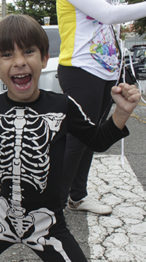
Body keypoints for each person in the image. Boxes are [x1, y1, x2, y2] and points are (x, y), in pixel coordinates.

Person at [0, 14, 140, 261]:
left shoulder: (63, 106)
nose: (19, 62)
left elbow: (98, 140)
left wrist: (122, 113)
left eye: (29, 51)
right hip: (2, 216)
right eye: (7, 55)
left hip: (48, 221)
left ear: (43, 59)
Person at [57, 0, 146, 215]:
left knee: (91, 138)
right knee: (76, 141)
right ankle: (53, 206)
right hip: (80, 69)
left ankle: (77, 196)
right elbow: (108, 15)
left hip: (105, 72)